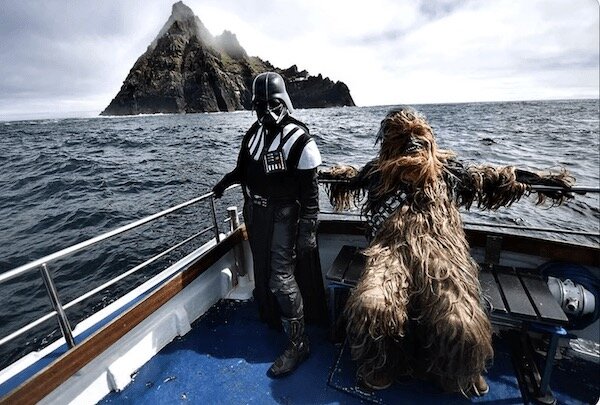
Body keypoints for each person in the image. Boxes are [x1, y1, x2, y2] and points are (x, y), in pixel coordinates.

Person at [319, 107, 573, 395]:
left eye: (418, 136)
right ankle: (381, 365)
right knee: (372, 304)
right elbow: (350, 178)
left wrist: (538, 180)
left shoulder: (448, 171)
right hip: (390, 251)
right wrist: (325, 173)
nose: (412, 145)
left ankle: (459, 373)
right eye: (402, 138)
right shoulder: (378, 173)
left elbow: (492, 178)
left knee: (459, 319)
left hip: (442, 253)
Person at [212, 72, 323, 377]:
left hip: (284, 216)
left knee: (281, 277)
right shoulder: (253, 135)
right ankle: (272, 315)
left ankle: (299, 343)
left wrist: (308, 231)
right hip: (256, 213)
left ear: (284, 102)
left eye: (273, 104)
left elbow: (310, 194)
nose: (267, 112)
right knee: (262, 268)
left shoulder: (298, 138)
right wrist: (224, 183)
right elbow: (243, 170)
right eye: (260, 106)